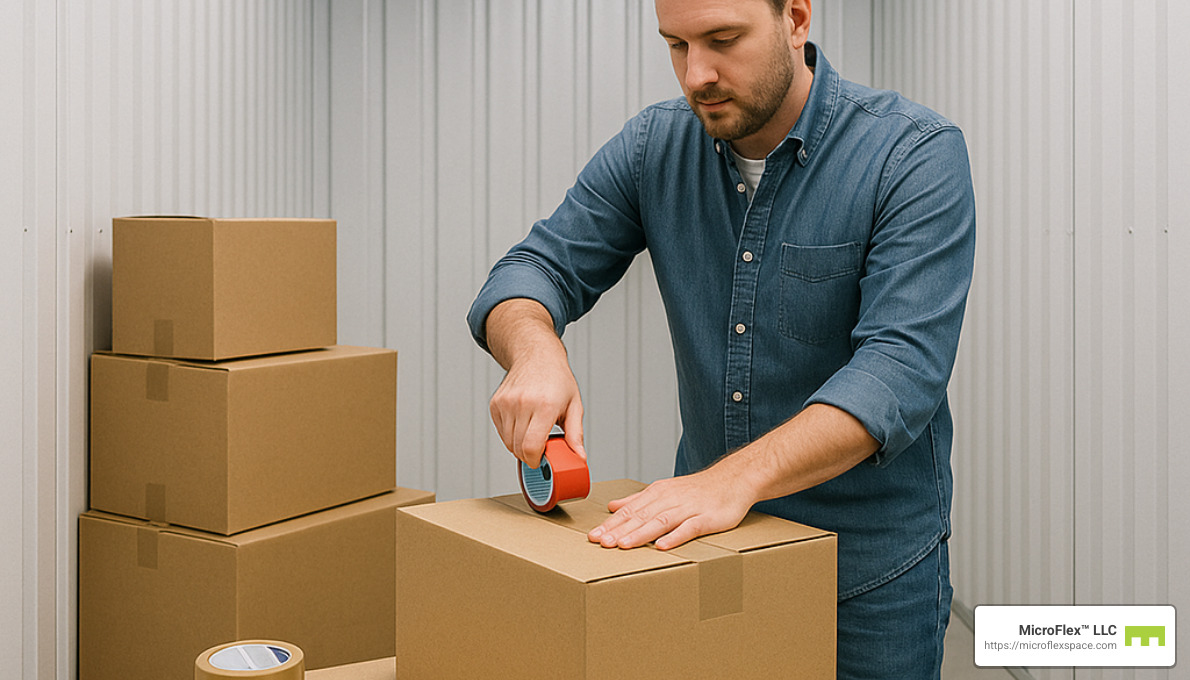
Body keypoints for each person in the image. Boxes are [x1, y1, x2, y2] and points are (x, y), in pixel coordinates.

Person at [467, 0, 975, 677]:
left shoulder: (912, 152)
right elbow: (531, 269)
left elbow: (899, 371)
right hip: (716, 555)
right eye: (675, 44)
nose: (696, 73)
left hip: (867, 579)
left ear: (795, 18)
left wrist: (728, 481)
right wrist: (533, 348)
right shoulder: (654, 147)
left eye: (723, 39)